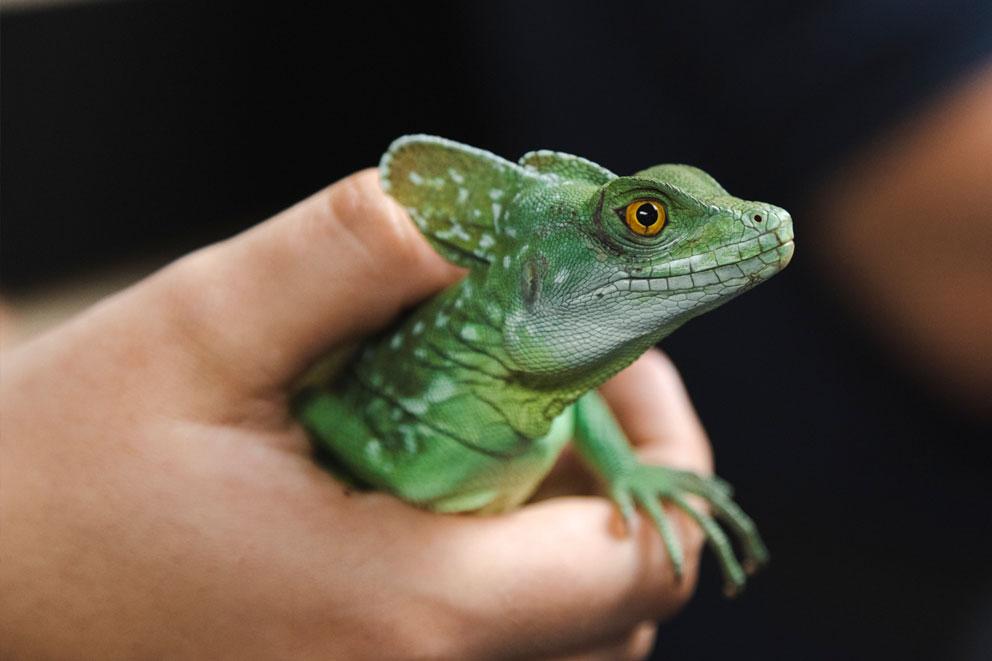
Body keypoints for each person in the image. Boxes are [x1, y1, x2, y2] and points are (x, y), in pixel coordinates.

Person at [1, 169, 716, 660]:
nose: (759, 222)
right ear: (538, 273)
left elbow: (567, 403)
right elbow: (316, 418)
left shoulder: (554, 393)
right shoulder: (415, 436)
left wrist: (627, 472)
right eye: (646, 218)